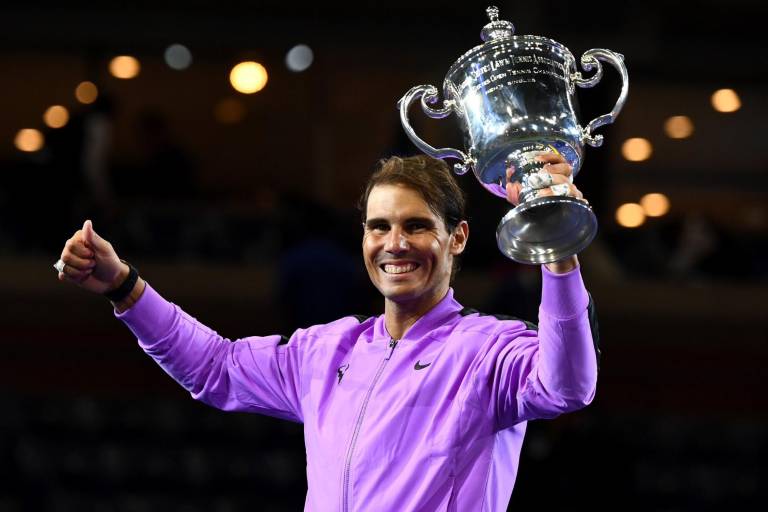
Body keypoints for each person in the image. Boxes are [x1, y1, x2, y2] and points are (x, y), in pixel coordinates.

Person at [54, 153, 599, 511]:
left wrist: (558, 249)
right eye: (379, 226)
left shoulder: (487, 350)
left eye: (416, 226)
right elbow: (215, 368)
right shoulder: (327, 350)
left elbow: (567, 385)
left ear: (456, 238)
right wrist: (123, 286)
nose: (395, 243)